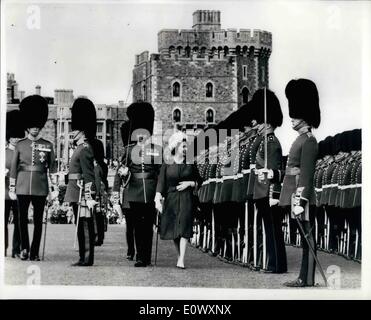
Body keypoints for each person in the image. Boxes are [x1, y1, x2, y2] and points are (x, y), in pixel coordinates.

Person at [279, 78, 321, 287]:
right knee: (303, 238)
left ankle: (308, 278)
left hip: (301, 194)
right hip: (294, 191)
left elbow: (306, 174)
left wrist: (300, 200)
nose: (292, 119)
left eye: (295, 115)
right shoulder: (300, 139)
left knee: (308, 237)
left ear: (304, 117)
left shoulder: (310, 141)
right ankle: (303, 277)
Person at [112, 102, 162, 267]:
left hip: (150, 189)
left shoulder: (156, 150)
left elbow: (160, 172)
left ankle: (146, 256)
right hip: (134, 190)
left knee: (148, 226)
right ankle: (140, 256)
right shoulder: (128, 151)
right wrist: (123, 174)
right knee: (138, 227)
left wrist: (160, 193)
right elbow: (121, 171)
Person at [9, 95, 58, 261]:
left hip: (40, 186)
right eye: (32, 125)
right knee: (22, 221)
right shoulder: (21, 145)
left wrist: (54, 190)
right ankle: (24, 248)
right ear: (27, 127)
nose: (35, 128)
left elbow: (52, 169)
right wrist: (12, 188)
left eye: (37, 125)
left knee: (38, 222)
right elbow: (14, 168)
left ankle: (35, 252)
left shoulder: (48, 145)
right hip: (22, 186)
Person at [253, 89, 287, 274]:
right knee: (270, 229)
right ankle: (274, 264)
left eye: (260, 122)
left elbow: (274, 172)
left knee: (273, 230)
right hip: (261, 192)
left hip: (268, 194)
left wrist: (273, 195)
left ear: (267, 124)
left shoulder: (271, 143)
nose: (257, 126)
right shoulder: (265, 142)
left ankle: (277, 265)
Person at [155, 131, 200, 269]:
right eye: (183, 147)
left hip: (187, 197)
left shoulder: (191, 163)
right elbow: (161, 182)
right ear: (176, 147)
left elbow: (199, 180)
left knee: (184, 226)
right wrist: (157, 197)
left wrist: (190, 183)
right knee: (174, 229)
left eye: (187, 147)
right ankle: (180, 255)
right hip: (171, 198)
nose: (186, 149)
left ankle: (182, 259)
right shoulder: (167, 164)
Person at [64, 98, 97, 266]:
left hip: (82, 192)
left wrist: (89, 196)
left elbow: (88, 174)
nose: (72, 131)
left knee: (84, 225)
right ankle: (83, 257)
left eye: (75, 128)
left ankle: (87, 258)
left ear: (82, 131)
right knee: (80, 226)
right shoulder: (78, 148)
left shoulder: (84, 149)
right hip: (75, 190)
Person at [5, 110, 25, 257]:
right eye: (13, 136)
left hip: (19, 190)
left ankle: (16, 249)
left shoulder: (23, 152)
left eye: (18, 136)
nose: (15, 139)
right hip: (4, 191)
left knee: (19, 222)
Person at [91, 138, 109, 246]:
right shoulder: (102, 164)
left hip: (97, 193)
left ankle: (97, 237)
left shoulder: (96, 166)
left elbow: (97, 180)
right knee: (100, 216)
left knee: (96, 216)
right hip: (101, 191)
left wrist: (97, 194)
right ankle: (100, 237)